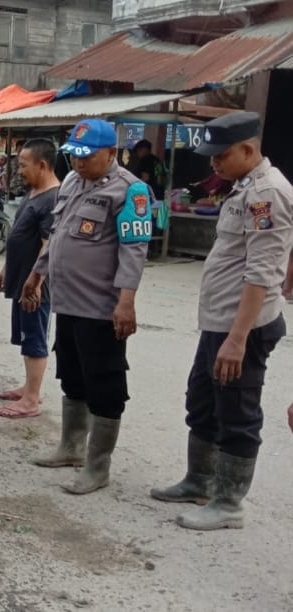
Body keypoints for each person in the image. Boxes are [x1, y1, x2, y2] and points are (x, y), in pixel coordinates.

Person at [150, 111, 293, 530]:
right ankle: (200, 481)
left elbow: (260, 273)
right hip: (220, 322)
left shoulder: (267, 193)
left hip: (241, 326)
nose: (213, 164)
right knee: (202, 401)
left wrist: (237, 339)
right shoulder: (245, 187)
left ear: (248, 149)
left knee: (237, 412)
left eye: (221, 156)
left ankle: (229, 503)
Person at [21, 118, 152, 495]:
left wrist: (126, 302)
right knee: (73, 377)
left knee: (105, 384)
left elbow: (134, 251)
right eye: (74, 156)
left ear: (112, 152)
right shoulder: (73, 183)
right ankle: (71, 447)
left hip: (101, 308)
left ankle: (98, 467)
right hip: (69, 304)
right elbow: (58, 235)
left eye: (87, 157)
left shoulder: (131, 191)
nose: (79, 163)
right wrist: (37, 273)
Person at [0, 139, 59, 418]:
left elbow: (48, 246)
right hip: (22, 278)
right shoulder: (34, 193)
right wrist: (7, 268)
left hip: (36, 285)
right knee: (25, 335)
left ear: (42, 165)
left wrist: (37, 282)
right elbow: (20, 236)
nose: (19, 171)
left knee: (35, 337)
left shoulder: (52, 199)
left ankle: (32, 399)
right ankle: (27, 387)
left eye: (23, 165)